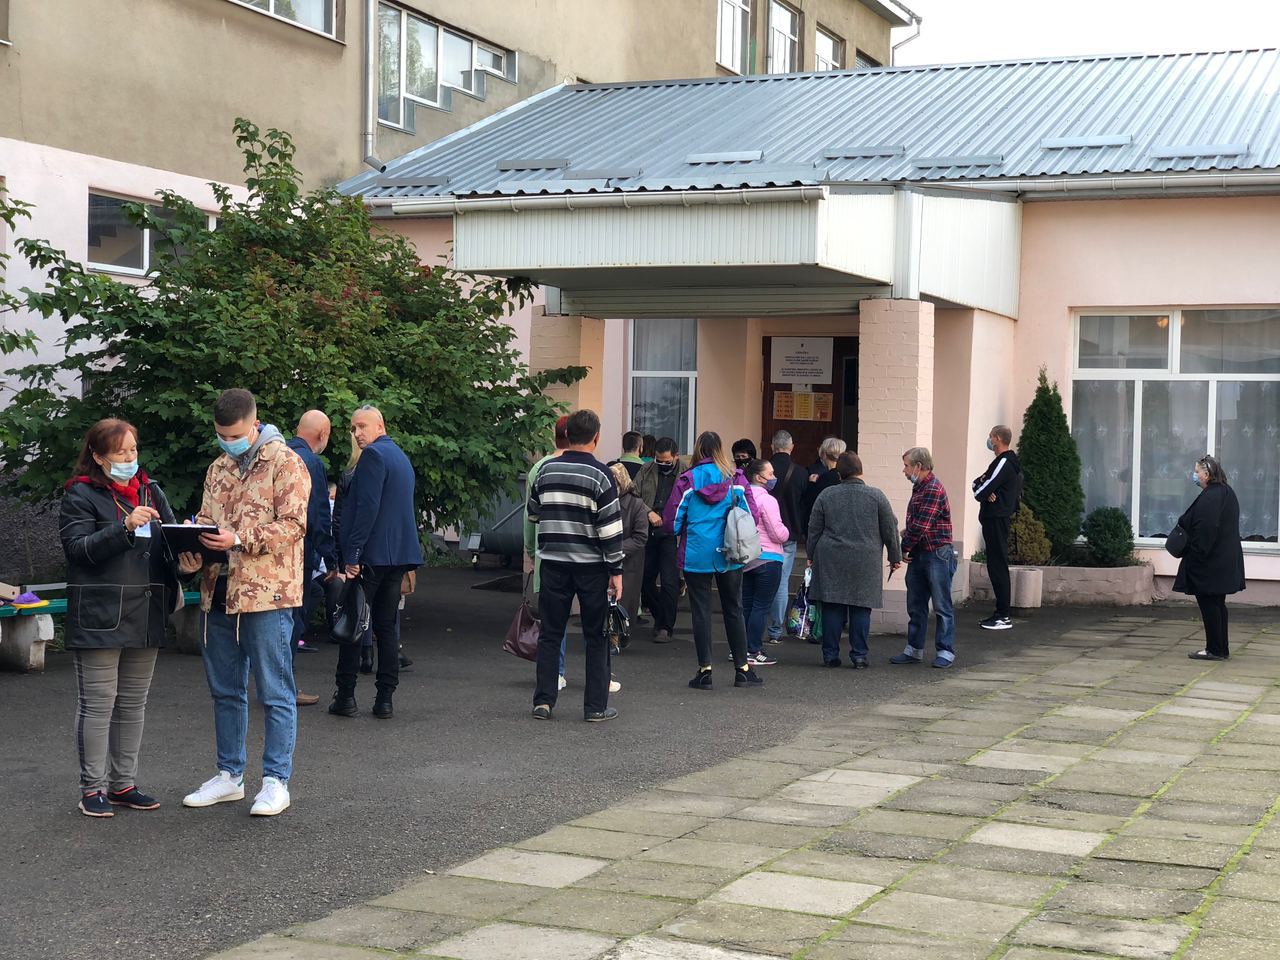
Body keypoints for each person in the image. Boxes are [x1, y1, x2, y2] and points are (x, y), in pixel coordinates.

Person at [61, 419, 201, 817]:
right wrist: (123, 527)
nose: (129, 457)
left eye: (133, 450)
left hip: (146, 611)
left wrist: (186, 565)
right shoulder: (80, 494)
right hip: (100, 615)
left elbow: (169, 547)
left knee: (133, 704)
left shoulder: (150, 490)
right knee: (98, 703)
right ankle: (92, 789)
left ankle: (123, 784)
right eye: (120, 452)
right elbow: (77, 550)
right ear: (97, 456)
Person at [183, 389, 310, 817]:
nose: (227, 442)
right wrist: (191, 545)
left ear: (255, 425)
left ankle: (276, 781)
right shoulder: (217, 466)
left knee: (275, 691)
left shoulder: (286, 462)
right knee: (225, 690)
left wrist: (238, 538)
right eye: (221, 435)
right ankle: (229, 776)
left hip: (267, 595)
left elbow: (294, 525)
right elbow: (206, 520)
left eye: (234, 435)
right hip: (218, 591)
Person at [527, 409, 624, 722]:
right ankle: (595, 706)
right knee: (596, 635)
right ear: (596, 437)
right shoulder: (601, 475)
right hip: (591, 567)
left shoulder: (545, 470)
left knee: (550, 633)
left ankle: (543, 702)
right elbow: (610, 530)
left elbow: (533, 513)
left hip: (552, 563)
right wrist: (616, 571)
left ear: (567, 435)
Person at [329, 405, 423, 720]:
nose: (357, 433)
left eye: (362, 426)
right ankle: (385, 700)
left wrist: (352, 555)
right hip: (397, 557)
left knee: (354, 623)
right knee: (386, 626)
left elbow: (366, 509)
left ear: (380, 426)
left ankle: (345, 696)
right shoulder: (400, 457)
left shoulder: (373, 456)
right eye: (353, 428)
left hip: (370, 557)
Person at [665, 431, 764, 690]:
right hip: (730, 551)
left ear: (698, 449)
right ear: (720, 450)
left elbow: (671, 522)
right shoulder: (736, 478)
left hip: (696, 552)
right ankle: (742, 670)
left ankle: (705, 670)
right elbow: (752, 516)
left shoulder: (687, 480)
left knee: (701, 611)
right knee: (734, 608)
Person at [807, 451, 901, 669]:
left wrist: (811, 555)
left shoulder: (827, 495)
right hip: (865, 559)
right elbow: (890, 528)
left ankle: (830, 655)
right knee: (861, 608)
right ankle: (859, 655)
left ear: (839, 474)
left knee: (832, 606)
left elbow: (814, 529)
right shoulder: (876, 496)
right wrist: (895, 556)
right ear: (861, 471)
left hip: (831, 558)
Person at [286, 410, 336, 706]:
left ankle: (273, 685)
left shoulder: (276, 454)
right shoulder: (311, 462)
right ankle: (287, 689)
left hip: (271, 555)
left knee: (277, 623)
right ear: (323, 435)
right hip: (299, 554)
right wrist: (331, 558)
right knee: (293, 621)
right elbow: (317, 515)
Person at [1176, 455, 1245, 661]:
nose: (1194, 475)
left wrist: (1196, 554)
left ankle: (1214, 649)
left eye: (1197, 472)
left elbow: (1206, 528)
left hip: (1209, 561)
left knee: (1210, 604)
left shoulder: (1211, 496)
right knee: (1217, 604)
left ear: (1206, 474)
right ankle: (1220, 648)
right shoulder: (1226, 492)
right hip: (1222, 559)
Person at [896, 447, 958, 668]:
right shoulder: (921, 486)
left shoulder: (932, 488)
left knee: (941, 606)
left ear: (918, 466)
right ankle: (914, 650)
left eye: (906, 466)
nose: (904, 470)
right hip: (922, 552)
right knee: (916, 604)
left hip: (936, 553)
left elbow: (921, 525)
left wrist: (903, 547)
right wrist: (909, 535)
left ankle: (945, 651)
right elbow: (921, 523)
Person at [523, 415, 572, 690]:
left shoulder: (539, 469)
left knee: (553, 618)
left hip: (547, 552)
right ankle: (600, 674)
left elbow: (529, 517)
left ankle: (555, 672)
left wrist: (531, 551)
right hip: (584, 555)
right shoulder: (588, 467)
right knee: (592, 616)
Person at [972, 424, 1023, 631]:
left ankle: (1003, 615)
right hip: (994, 518)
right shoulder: (1002, 462)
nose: (989, 440)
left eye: (990, 436)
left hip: (997, 518)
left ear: (998, 439)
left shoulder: (1004, 461)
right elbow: (977, 483)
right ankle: (1001, 613)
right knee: (996, 564)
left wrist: (985, 490)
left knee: (998, 565)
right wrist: (986, 489)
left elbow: (979, 491)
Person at [740, 458, 788, 666]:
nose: (773, 477)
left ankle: (740, 649)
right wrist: (787, 532)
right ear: (759, 477)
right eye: (770, 474)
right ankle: (754, 649)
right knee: (761, 606)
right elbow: (778, 533)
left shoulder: (740, 496)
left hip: (745, 558)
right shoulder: (767, 500)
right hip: (768, 558)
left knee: (747, 606)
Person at [636, 437, 682, 642]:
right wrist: (648, 512)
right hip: (649, 529)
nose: (662, 465)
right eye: (659, 461)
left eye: (666, 461)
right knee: (645, 579)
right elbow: (633, 494)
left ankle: (665, 627)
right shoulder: (646, 470)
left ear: (676, 457)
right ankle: (660, 616)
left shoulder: (686, 473)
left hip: (672, 533)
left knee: (670, 581)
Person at [765, 430, 805, 644]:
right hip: (788, 534)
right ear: (792, 447)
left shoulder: (761, 470)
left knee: (756, 581)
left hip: (762, 533)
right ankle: (775, 630)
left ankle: (752, 627)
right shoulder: (801, 473)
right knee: (781, 582)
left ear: (772, 446)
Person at [609, 461, 650, 628]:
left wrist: (614, 548)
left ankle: (619, 634)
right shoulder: (603, 502)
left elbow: (640, 537)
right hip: (605, 561)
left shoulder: (636, 504)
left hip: (629, 562)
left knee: (624, 604)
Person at [800, 437, 846, 536]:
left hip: (825, 531)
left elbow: (810, 503)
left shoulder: (823, 480)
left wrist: (812, 484)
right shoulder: (846, 477)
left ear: (824, 454)